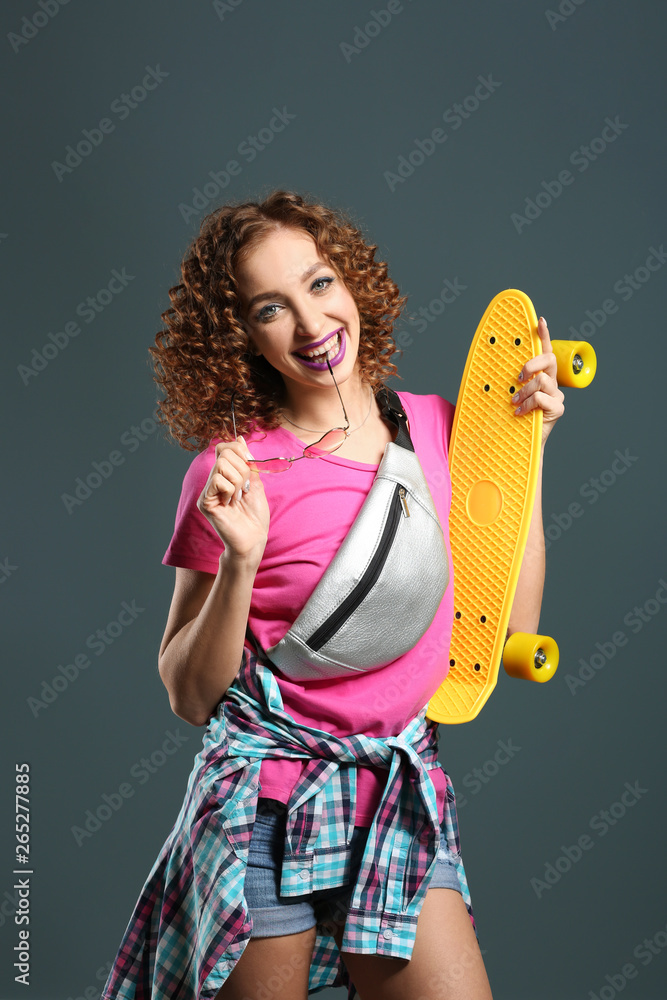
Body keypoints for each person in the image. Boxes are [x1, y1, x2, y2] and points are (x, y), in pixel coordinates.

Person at [101, 190, 565, 1000]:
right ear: (239, 335)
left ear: (351, 282)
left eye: (319, 285)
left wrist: (525, 456)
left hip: (395, 792)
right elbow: (187, 692)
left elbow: (508, 625)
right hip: (264, 808)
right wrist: (240, 561)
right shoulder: (231, 472)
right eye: (270, 308)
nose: (312, 326)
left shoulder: (436, 429)